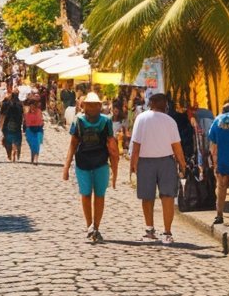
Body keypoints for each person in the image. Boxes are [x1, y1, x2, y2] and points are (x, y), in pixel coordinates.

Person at [129, 92, 187, 245]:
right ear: (165, 105)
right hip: (166, 162)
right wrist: (183, 164)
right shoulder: (170, 121)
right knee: (167, 197)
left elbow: (136, 145)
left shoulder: (141, 118)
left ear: (150, 104)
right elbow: (177, 147)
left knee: (147, 197)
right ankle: (167, 232)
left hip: (145, 161)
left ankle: (150, 230)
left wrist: (132, 165)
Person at [62, 92, 119, 243]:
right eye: (90, 105)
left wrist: (115, 169)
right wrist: (66, 167)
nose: (92, 108)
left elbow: (112, 146)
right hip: (83, 162)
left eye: (95, 105)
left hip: (101, 163)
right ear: (83, 106)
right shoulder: (78, 120)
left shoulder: (106, 121)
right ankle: (89, 226)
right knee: (86, 194)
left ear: (100, 107)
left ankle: (97, 227)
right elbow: (73, 144)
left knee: (100, 196)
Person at [0, 89, 24, 162]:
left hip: (7, 123)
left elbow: (2, 115)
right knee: (16, 138)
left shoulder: (5, 103)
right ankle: (15, 149)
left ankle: (9, 154)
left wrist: (1, 125)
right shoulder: (20, 104)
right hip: (17, 123)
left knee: (7, 140)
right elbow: (22, 115)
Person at [24, 98, 45, 164]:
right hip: (30, 130)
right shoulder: (27, 112)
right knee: (32, 145)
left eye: (34, 105)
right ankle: (32, 156)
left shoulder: (39, 111)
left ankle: (36, 158)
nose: (32, 107)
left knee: (37, 143)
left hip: (38, 129)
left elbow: (41, 121)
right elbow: (25, 121)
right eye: (31, 105)